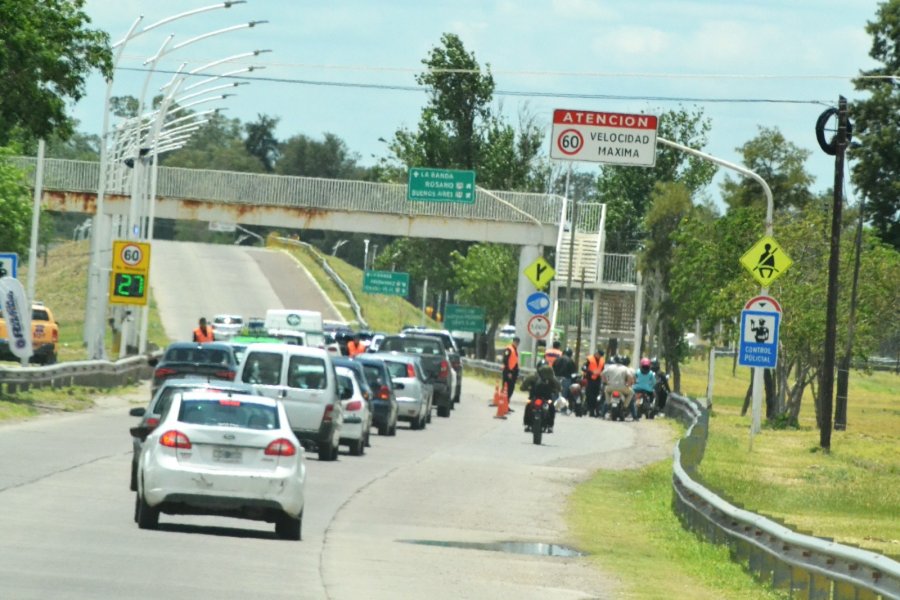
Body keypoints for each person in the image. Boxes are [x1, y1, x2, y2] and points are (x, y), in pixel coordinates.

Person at [520, 362, 560, 433]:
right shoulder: (551, 378)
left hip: (533, 398)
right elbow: (559, 388)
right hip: (547, 399)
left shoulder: (532, 376)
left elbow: (523, 386)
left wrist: (526, 388)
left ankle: (527, 425)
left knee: (528, 405)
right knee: (551, 407)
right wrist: (555, 390)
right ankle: (550, 426)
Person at [581, 347, 605, 417]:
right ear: (596, 353)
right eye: (599, 355)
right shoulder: (589, 359)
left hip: (597, 379)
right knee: (589, 395)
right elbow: (583, 368)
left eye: (601, 356)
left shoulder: (602, 360)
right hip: (589, 379)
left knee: (596, 395)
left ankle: (591, 409)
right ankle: (590, 410)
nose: (599, 357)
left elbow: (603, 369)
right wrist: (591, 372)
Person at [501, 336, 520, 412]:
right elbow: (505, 360)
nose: (517, 344)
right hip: (508, 372)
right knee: (507, 390)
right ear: (513, 341)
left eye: (518, 343)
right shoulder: (509, 349)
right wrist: (509, 372)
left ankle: (506, 405)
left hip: (513, 373)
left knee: (510, 390)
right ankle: (503, 405)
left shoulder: (514, 350)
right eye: (516, 342)